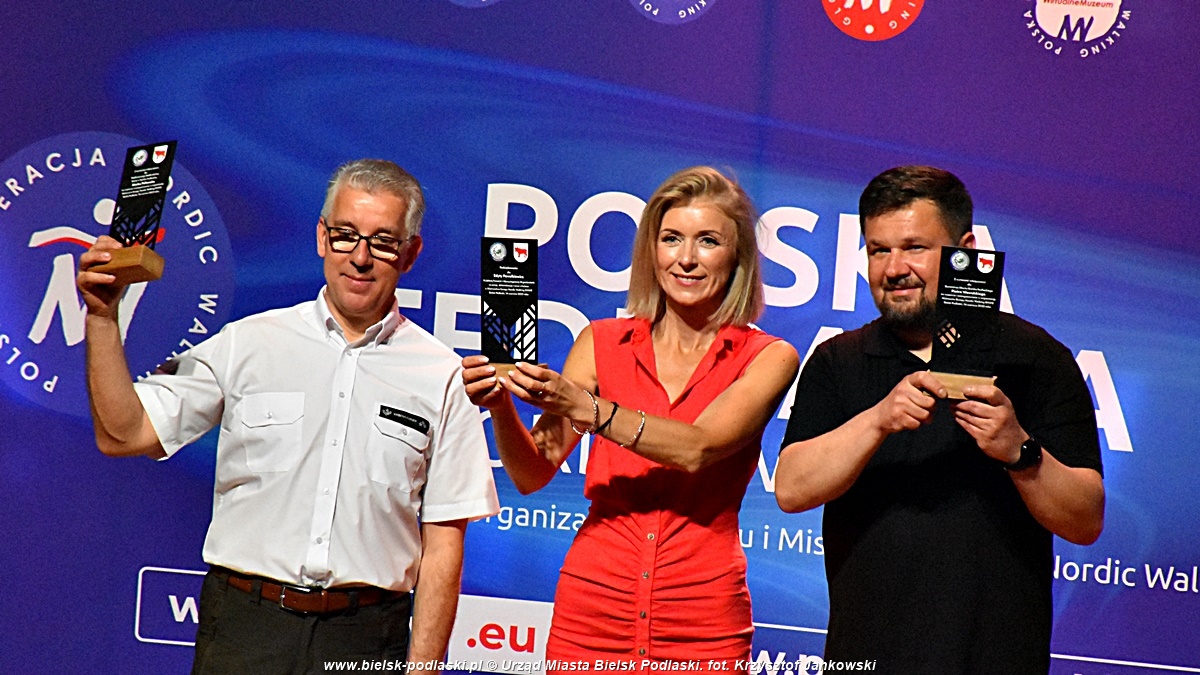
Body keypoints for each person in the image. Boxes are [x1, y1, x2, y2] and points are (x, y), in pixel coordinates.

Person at [77, 159, 499, 674]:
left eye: (383, 242)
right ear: (322, 237)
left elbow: (444, 546)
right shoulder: (248, 343)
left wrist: (424, 668)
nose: (360, 257)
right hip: (244, 630)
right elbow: (124, 434)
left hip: (367, 637)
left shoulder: (443, 374)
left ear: (410, 254)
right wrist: (102, 317)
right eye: (345, 235)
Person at [462, 166, 798, 671]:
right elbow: (532, 474)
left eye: (707, 241)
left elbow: (698, 447)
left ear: (738, 257)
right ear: (651, 250)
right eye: (671, 239)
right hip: (591, 613)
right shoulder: (601, 343)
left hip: (702, 620)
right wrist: (500, 405)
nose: (686, 258)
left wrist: (588, 409)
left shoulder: (767, 356)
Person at [775, 165, 1104, 673]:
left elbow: (1085, 521)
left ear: (965, 250)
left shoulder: (1037, 358)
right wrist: (878, 420)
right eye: (878, 250)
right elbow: (792, 489)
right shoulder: (839, 361)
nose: (894, 268)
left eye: (915, 248)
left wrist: (1019, 451)